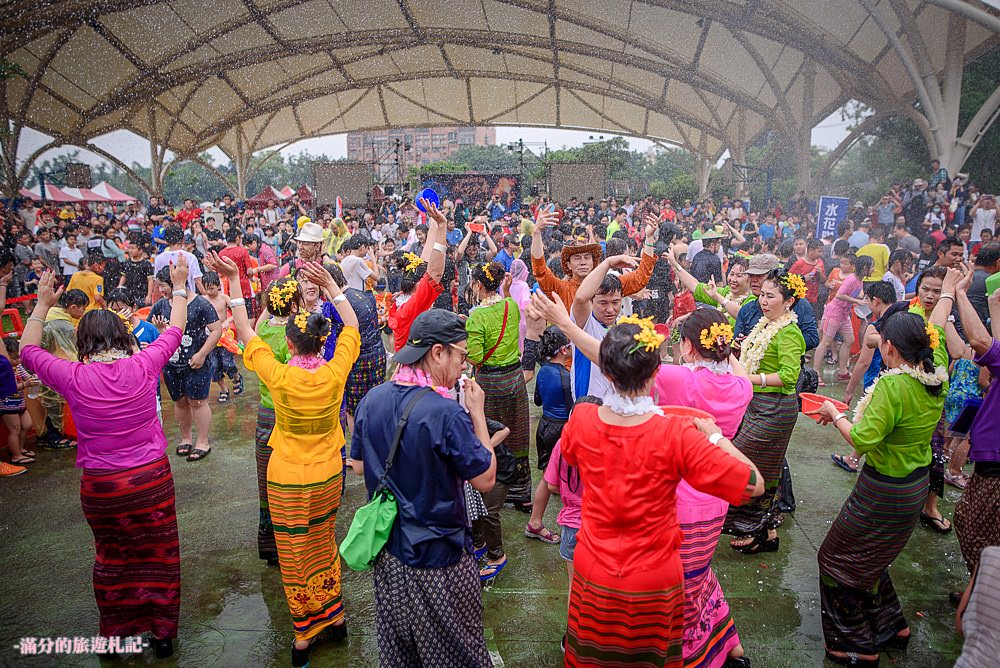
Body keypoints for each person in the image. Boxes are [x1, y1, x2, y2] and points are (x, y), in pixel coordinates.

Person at [557, 315, 763, 666]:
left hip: (594, 570)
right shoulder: (678, 435)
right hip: (654, 578)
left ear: (606, 374)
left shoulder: (581, 421)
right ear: (656, 375)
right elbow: (752, 483)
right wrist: (714, 435)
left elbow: (574, 456)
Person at [20, 260, 191, 659]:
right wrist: (180, 287)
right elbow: (176, 329)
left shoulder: (72, 376)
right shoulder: (144, 364)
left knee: (112, 556)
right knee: (160, 551)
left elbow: (28, 350)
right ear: (121, 335)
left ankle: (116, 635)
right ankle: (162, 634)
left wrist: (42, 304)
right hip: (150, 479)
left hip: (103, 486)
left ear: (84, 341)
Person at [207, 252, 359, 668]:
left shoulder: (277, 374)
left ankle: (305, 633)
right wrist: (332, 286)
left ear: (289, 343)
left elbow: (242, 328)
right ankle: (335, 614)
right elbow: (355, 326)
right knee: (324, 542)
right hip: (329, 474)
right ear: (322, 341)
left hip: (288, 479)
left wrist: (235, 282)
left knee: (293, 552)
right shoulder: (334, 373)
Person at [350, 309, 497, 667]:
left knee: (401, 653)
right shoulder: (445, 413)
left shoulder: (373, 398)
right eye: (461, 355)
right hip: (440, 559)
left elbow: (356, 466)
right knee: (456, 652)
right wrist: (477, 412)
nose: (464, 365)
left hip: (390, 557)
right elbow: (485, 479)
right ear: (437, 353)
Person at [807, 310, 949, 668]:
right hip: (914, 484)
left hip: (883, 489)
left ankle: (854, 644)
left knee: (835, 560)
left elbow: (862, 438)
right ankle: (890, 627)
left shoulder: (894, 384)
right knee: (871, 556)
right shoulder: (936, 376)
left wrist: (833, 413)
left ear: (891, 348)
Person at [652, 308, 755, 667]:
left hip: (678, 498)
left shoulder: (681, 380)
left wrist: (568, 325)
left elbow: (614, 359)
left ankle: (694, 654)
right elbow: (739, 370)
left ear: (690, 347)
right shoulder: (742, 388)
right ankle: (727, 642)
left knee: (679, 581)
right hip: (716, 495)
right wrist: (729, 353)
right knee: (699, 570)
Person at [724, 269, 806, 553]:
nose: (763, 301)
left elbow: (788, 376)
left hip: (775, 409)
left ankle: (751, 526)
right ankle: (767, 532)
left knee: (744, 462)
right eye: (762, 295)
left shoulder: (790, 332)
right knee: (766, 470)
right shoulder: (766, 324)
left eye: (771, 296)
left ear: (789, 301)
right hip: (757, 405)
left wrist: (751, 379)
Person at [465, 260, 530, 564]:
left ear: (478, 285)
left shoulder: (477, 316)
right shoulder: (510, 305)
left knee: (488, 432)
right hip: (515, 378)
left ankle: (493, 489)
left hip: (489, 381)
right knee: (515, 431)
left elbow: (476, 355)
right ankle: (520, 492)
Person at [951, 266, 1000, 581]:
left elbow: (980, 342)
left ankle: (983, 593)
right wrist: (994, 307)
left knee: (978, 533)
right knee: (966, 519)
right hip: (987, 457)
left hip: (996, 463)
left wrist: (958, 293)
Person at [148, 266, 222, 462]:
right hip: (171, 365)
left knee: (198, 402)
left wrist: (202, 354)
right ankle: (186, 438)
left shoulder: (200, 304)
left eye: (163, 286)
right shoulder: (161, 306)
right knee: (180, 401)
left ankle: (203, 441)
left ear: (176, 283)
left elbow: (216, 330)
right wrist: (158, 331)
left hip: (196, 362)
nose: (160, 291)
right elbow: (152, 333)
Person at [251, 278, 299, 566]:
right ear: (293, 305)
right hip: (288, 412)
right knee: (289, 478)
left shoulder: (263, 332)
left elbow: (253, 327)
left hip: (265, 413)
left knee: (266, 477)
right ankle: (292, 539)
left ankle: (270, 546)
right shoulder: (294, 337)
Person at [530, 210, 659, 309]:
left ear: (593, 263)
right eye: (577, 258)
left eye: (587, 257)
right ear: (568, 265)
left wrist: (649, 238)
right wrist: (536, 232)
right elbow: (540, 272)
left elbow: (640, 278)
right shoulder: (563, 289)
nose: (583, 262)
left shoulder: (608, 285)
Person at [386, 198, 449, 352]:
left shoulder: (401, 301)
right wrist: (442, 226)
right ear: (417, 284)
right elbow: (435, 272)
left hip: (408, 360)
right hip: (417, 367)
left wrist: (434, 224)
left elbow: (425, 261)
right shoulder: (414, 304)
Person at [813, 254, 873, 384]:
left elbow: (855, 294)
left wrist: (862, 300)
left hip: (844, 314)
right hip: (834, 312)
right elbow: (840, 295)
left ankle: (843, 372)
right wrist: (857, 301)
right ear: (864, 268)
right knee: (826, 342)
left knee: (849, 340)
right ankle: (815, 374)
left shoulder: (859, 280)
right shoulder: (851, 279)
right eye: (872, 267)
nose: (873, 270)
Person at [201, 272, 244, 403]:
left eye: (212, 288)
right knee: (214, 365)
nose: (209, 291)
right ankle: (224, 389)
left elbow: (237, 311)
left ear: (218, 286)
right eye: (207, 288)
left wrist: (228, 321)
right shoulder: (203, 300)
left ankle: (236, 376)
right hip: (210, 337)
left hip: (224, 336)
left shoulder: (224, 298)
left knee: (228, 363)